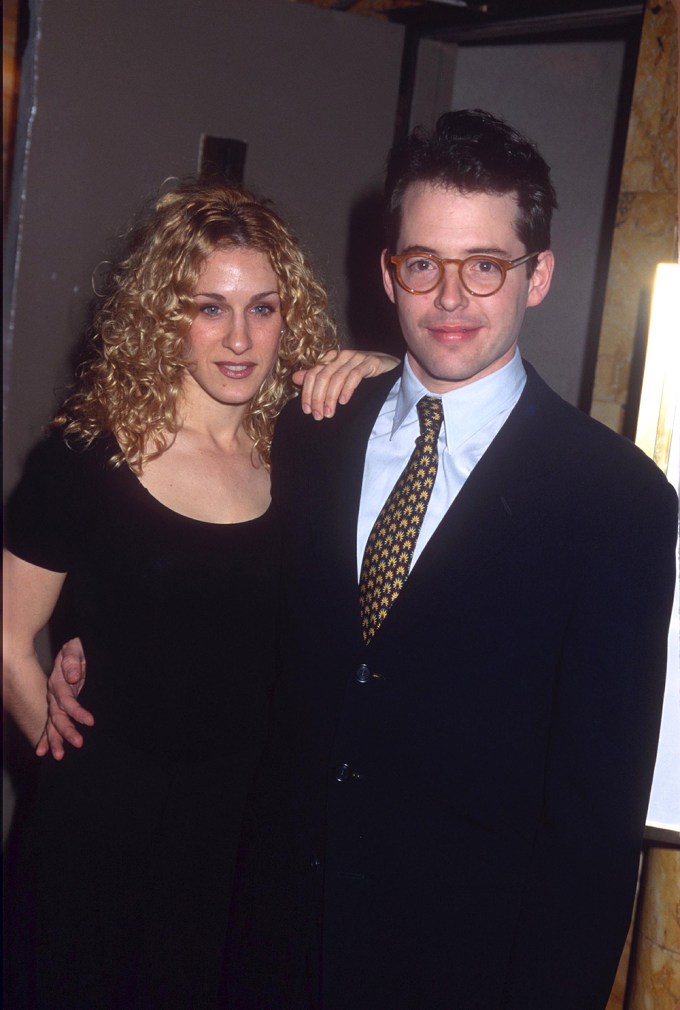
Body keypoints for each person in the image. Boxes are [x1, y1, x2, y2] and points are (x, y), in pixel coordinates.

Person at [215, 110, 678, 1009]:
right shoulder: (315, 433)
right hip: (275, 947)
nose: (451, 299)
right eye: (423, 263)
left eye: (485, 266)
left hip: (461, 966)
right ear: (389, 271)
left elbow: (594, 817)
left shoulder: (616, 501)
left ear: (537, 275)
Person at [2, 179, 396, 1010]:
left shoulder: (306, 451)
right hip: (97, 845)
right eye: (209, 308)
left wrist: (385, 364)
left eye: (263, 307)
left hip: (247, 840)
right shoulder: (87, 454)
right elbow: (5, 635)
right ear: (161, 315)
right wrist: (58, 752)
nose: (240, 339)